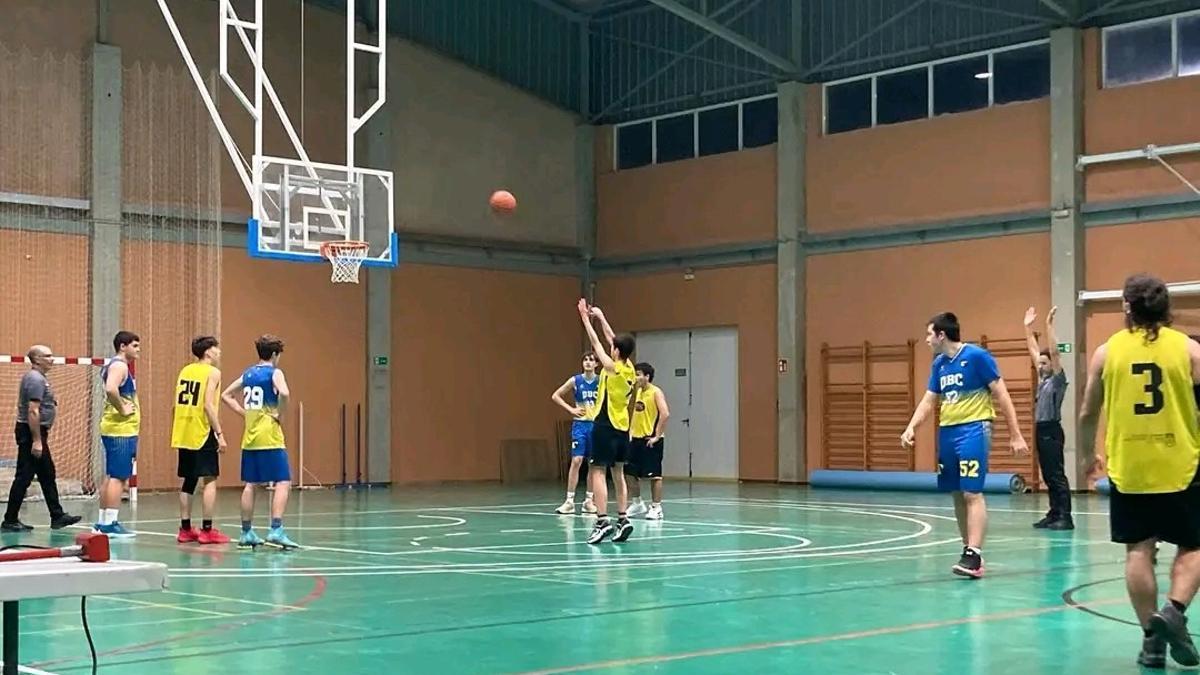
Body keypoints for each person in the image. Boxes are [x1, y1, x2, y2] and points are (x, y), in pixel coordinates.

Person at [1079, 273, 1200, 669]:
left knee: (1139, 550)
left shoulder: (1106, 352)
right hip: (1180, 463)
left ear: (1126, 308)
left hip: (1129, 466)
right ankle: (1174, 611)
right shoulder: (1188, 350)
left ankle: (1151, 642)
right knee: (1195, 546)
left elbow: (1086, 412)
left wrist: (1086, 456)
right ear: (1166, 307)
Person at [901, 312, 1028, 579]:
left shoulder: (977, 357)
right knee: (957, 493)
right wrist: (912, 426)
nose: (926, 339)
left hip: (974, 428)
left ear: (941, 335)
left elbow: (1002, 394)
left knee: (972, 492)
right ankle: (967, 549)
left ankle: (975, 553)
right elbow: (928, 400)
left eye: (929, 334)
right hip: (948, 431)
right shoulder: (939, 365)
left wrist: (1015, 434)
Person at [221, 335, 298, 550]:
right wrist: (280, 413)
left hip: (251, 436)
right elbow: (284, 392)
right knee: (283, 481)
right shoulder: (275, 372)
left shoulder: (249, 373)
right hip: (269, 435)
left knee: (251, 484)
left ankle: (246, 531)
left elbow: (226, 395)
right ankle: (276, 529)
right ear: (274, 354)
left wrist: (243, 413)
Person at [1, 345, 81, 532]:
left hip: (36, 433)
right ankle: (10, 520)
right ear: (36, 360)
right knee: (24, 477)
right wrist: (37, 440)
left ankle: (57, 515)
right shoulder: (35, 379)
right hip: (30, 433)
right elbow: (33, 411)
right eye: (47, 356)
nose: (52, 359)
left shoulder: (40, 379)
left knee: (47, 474)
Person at [576, 298, 636, 545]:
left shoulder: (611, 368)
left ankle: (602, 521)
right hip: (622, 429)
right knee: (619, 473)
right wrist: (601, 317)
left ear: (616, 352)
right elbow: (612, 339)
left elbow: (597, 344)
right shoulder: (629, 367)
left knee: (598, 471)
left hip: (604, 424)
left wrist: (584, 320)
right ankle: (623, 519)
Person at [171, 335, 230, 545]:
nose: (219, 352)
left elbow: (176, 404)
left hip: (184, 430)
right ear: (208, 351)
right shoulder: (213, 372)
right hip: (202, 430)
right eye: (216, 348)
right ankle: (207, 530)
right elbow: (208, 405)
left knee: (188, 480)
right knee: (210, 479)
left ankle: (185, 529)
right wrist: (219, 434)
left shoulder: (185, 370)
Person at [1021, 306, 1073, 530]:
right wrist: (1027, 327)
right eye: (1039, 363)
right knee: (1047, 475)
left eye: (1044, 363)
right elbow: (1033, 348)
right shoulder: (1043, 380)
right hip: (1040, 430)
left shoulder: (1057, 380)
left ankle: (1065, 516)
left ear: (1052, 364)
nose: (1040, 366)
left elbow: (1056, 352)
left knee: (1056, 474)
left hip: (1052, 430)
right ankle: (1053, 513)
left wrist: (1048, 326)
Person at [94, 331, 141, 538]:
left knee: (112, 476)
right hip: (120, 430)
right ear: (123, 346)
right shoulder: (120, 366)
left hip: (115, 428)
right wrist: (122, 408)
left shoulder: (116, 365)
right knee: (120, 477)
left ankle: (103, 521)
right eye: (135, 345)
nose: (138, 349)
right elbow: (111, 388)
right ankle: (110, 523)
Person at [550, 352, 599, 515]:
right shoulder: (576, 380)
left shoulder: (601, 381)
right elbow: (556, 395)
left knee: (593, 463)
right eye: (585, 359)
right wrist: (571, 409)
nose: (588, 362)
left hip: (596, 425)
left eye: (591, 360)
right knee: (577, 460)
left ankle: (589, 501)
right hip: (580, 425)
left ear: (596, 364)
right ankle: (569, 501)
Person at [626, 362, 669, 520]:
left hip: (650, 440)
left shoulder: (656, 392)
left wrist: (657, 436)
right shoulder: (637, 392)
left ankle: (657, 508)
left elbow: (665, 414)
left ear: (647, 377)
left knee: (654, 476)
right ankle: (637, 503)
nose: (636, 377)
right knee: (629, 473)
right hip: (635, 439)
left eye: (638, 374)